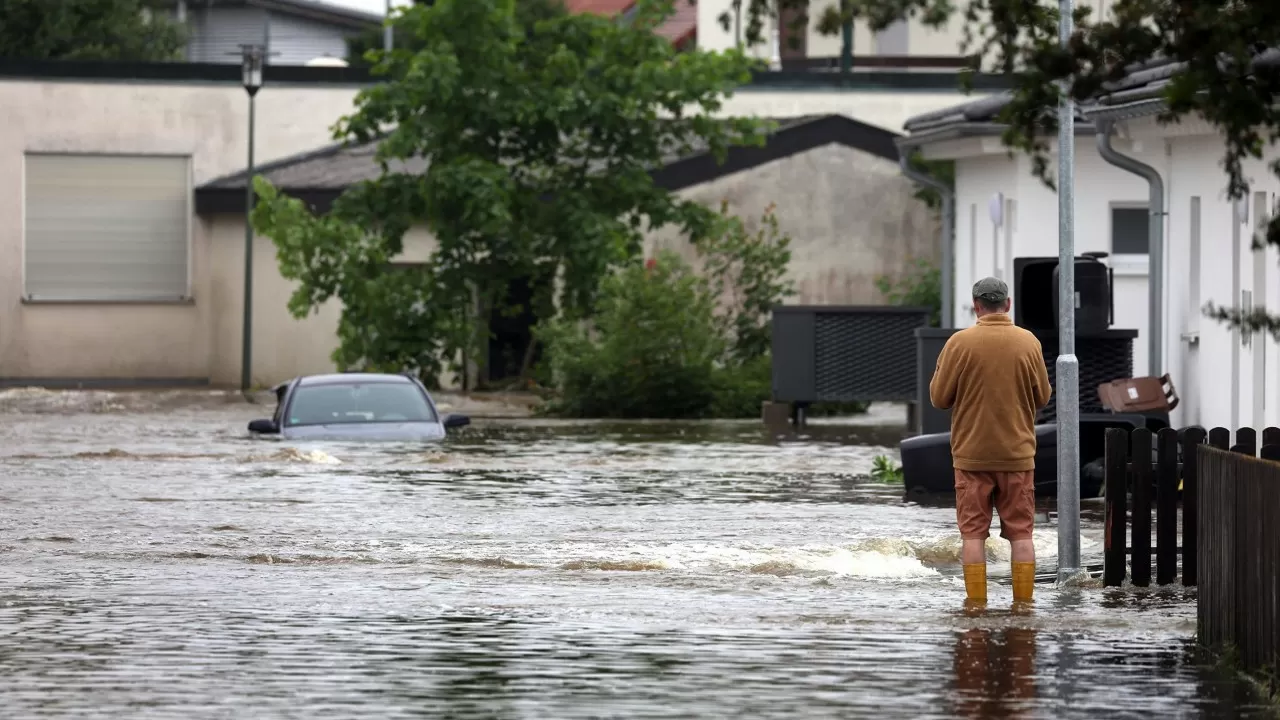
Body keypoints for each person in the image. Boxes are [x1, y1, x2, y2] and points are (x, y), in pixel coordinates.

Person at [929, 277, 1052, 604]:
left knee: (972, 536)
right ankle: (1024, 606)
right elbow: (1043, 396)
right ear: (1007, 305)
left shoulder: (959, 343)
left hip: (971, 457)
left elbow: (939, 398)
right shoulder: (1029, 342)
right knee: (1022, 535)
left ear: (976, 305)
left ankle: (976, 607)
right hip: (1017, 455)